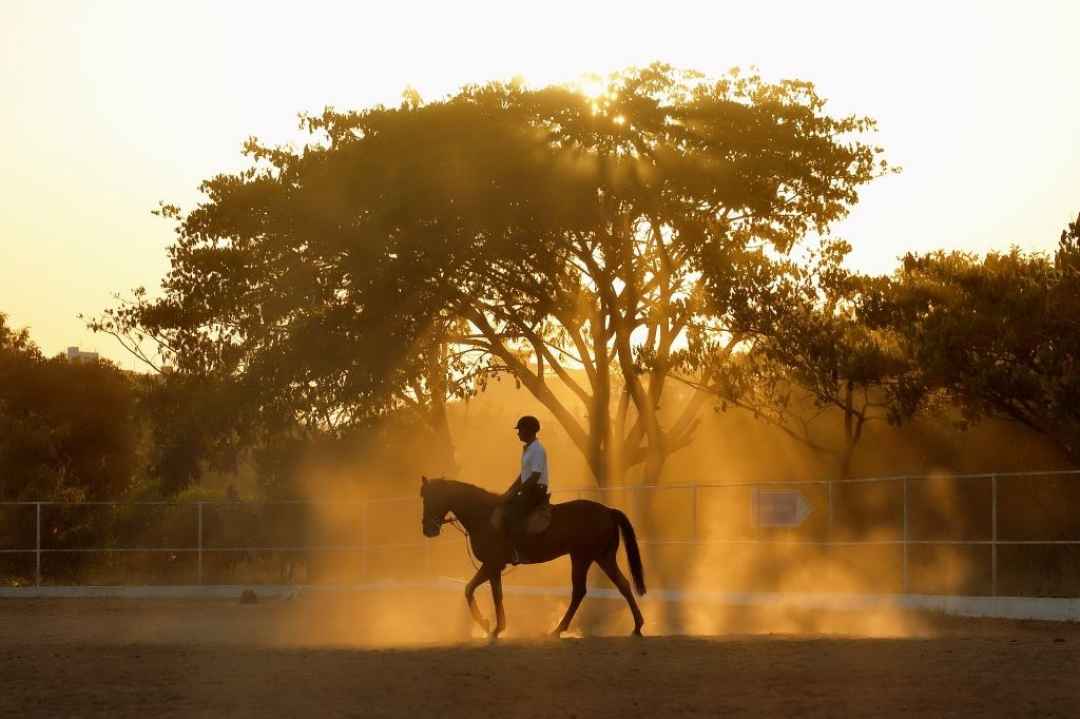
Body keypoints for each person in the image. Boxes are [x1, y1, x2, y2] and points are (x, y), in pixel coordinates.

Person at [501, 415, 549, 564]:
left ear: (529, 430)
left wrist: (517, 491)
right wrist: (510, 490)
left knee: (512, 513)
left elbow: (535, 476)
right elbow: (523, 474)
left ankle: (518, 550)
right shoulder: (528, 449)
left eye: (520, 429)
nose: (518, 433)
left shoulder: (537, 450)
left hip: (536, 489)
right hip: (529, 488)